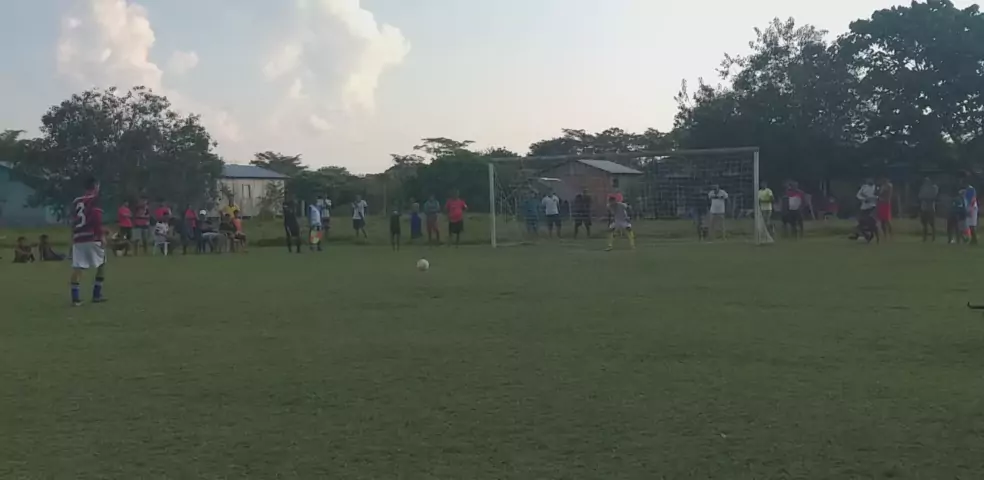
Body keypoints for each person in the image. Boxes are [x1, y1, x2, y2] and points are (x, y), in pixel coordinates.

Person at [69, 177, 107, 306]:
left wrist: (73, 236)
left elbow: (73, 220)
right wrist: (101, 235)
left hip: (78, 237)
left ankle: (75, 298)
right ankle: (96, 294)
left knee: (78, 267)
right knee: (101, 264)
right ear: (95, 186)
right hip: (92, 236)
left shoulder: (76, 201)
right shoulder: (95, 199)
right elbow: (96, 218)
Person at [959, 171, 978, 245]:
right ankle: (973, 239)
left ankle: (974, 239)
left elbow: (972, 199)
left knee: (972, 224)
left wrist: (970, 209)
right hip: (968, 207)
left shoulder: (970, 189)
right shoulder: (965, 190)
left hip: (972, 208)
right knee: (969, 224)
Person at [918, 177, 939, 242]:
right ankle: (924, 237)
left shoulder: (934, 187)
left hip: (930, 208)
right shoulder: (923, 188)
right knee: (924, 224)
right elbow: (920, 196)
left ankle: (933, 237)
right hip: (924, 207)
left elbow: (934, 196)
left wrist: (926, 197)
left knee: (932, 224)